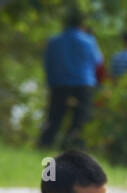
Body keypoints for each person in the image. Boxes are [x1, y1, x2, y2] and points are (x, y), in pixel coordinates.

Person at [38, 11, 103, 150]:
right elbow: (98, 61)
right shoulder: (89, 41)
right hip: (83, 85)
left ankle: (44, 145)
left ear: (64, 23)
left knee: (54, 119)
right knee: (80, 121)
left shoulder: (54, 41)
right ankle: (71, 147)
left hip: (59, 85)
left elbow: (48, 64)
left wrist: (51, 83)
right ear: (81, 24)